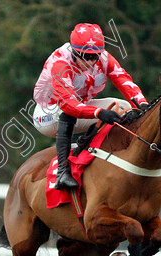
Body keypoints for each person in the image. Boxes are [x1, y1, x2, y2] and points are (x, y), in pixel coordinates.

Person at [32, 23, 149, 190]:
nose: (91, 61)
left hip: (80, 105)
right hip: (48, 113)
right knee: (68, 112)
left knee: (125, 107)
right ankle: (62, 172)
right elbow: (69, 104)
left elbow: (124, 80)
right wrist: (99, 113)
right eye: (86, 56)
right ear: (74, 51)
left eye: (95, 56)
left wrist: (142, 104)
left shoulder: (103, 58)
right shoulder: (60, 62)